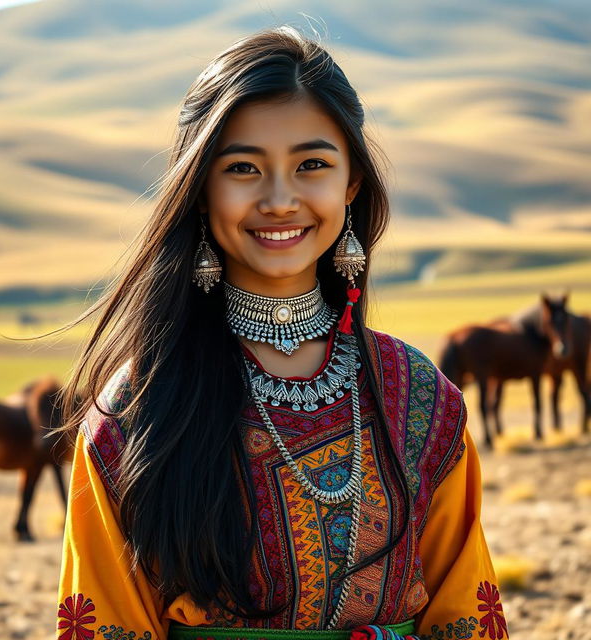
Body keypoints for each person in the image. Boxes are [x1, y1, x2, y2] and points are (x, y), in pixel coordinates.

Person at [55, 26, 509, 640]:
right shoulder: (137, 412)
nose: (279, 199)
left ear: (351, 185)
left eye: (312, 165)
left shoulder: (420, 397)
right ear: (199, 190)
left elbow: (466, 618)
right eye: (243, 168)